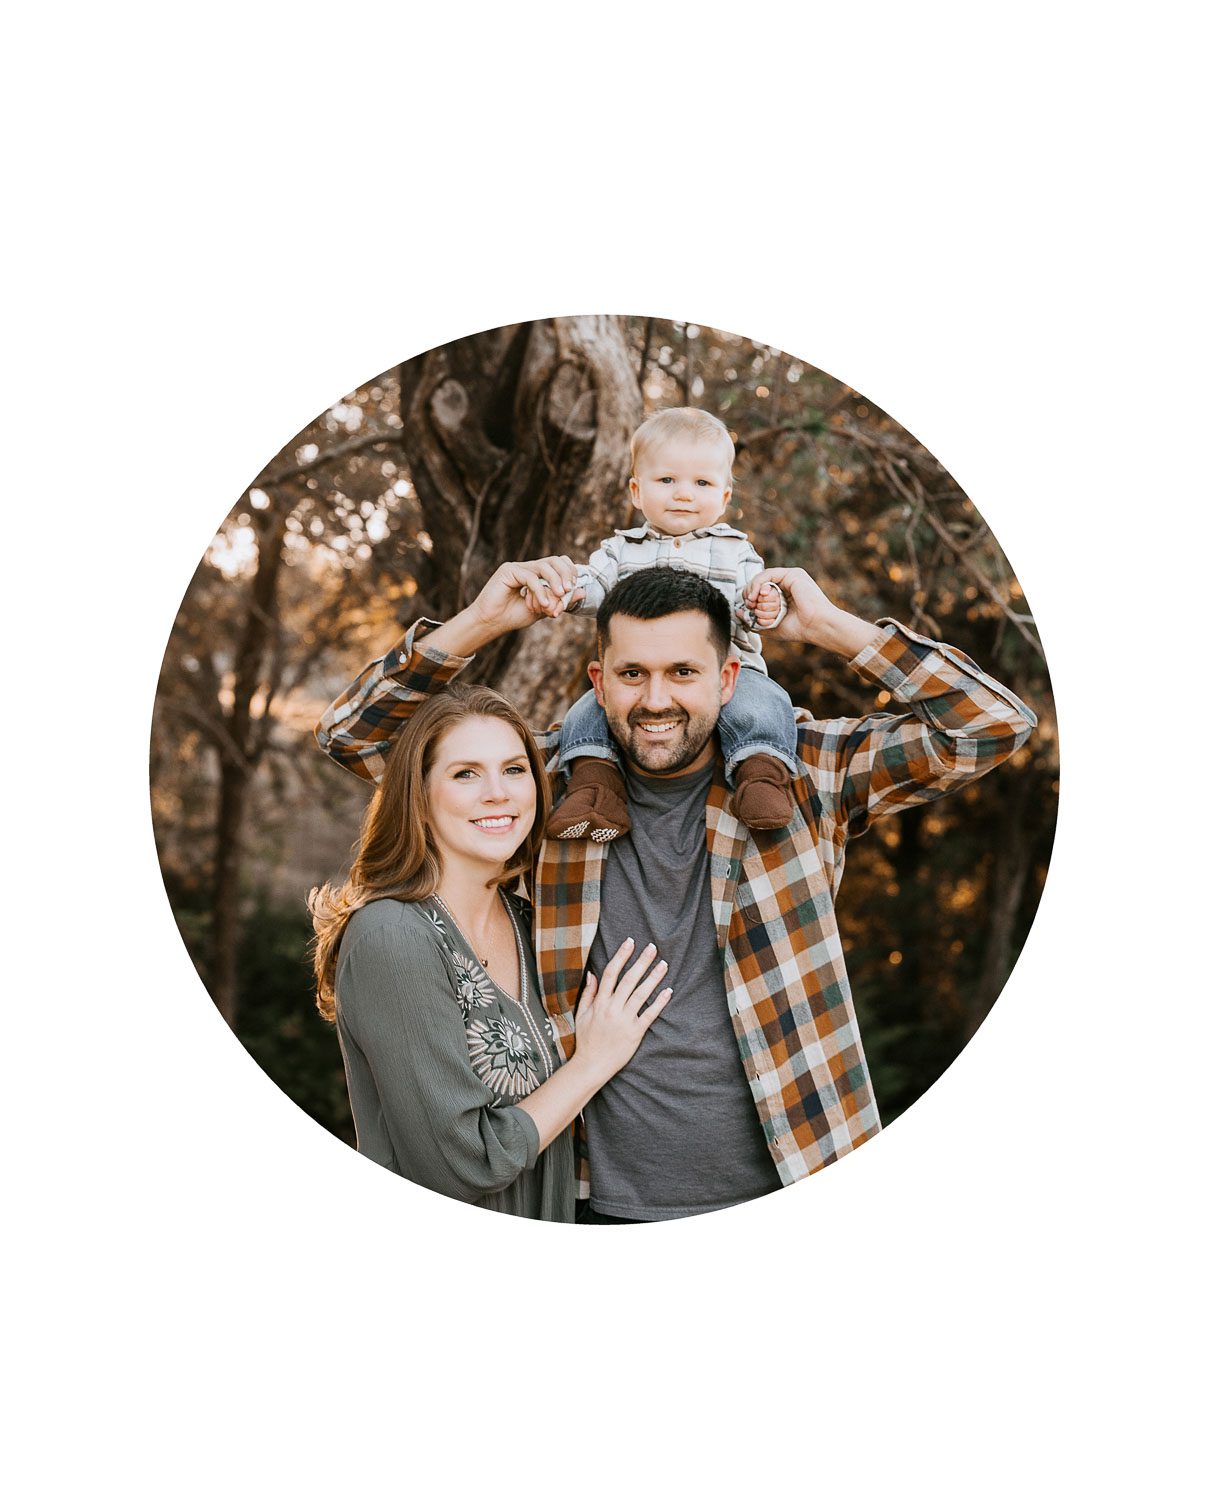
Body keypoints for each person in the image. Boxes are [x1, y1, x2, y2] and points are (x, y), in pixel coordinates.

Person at [316, 554, 1036, 1223]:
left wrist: (825, 626)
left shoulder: (804, 772)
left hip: (799, 1169)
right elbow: (356, 737)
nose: (654, 700)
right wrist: (482, 619)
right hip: (594, 1200)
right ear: (597, 681)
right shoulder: (548, 789)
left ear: (727, 679)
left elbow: (994, 724)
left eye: (682, 673)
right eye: (631, 674)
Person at [308, 682, 673, 1220]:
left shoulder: (533, 925)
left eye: (515, 769)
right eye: (465, 774)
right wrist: (593, 1062)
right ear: (419, 796)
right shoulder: (392, 936)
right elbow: (461, 1164)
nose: (498, 793)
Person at [548, 406, 799, 841]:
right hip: (633, 676)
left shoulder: (735, 551)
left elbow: (753, 603)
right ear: (636, 491)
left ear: (723, 498)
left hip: (736, 670)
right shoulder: (621, 550)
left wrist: (766, 604)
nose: (683, 494)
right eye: (667, 481)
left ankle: (761, 776)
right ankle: (595, 787)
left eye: (701, 483)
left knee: (764, 706)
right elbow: (593, 585)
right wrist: (566, 591)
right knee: (585, 712)